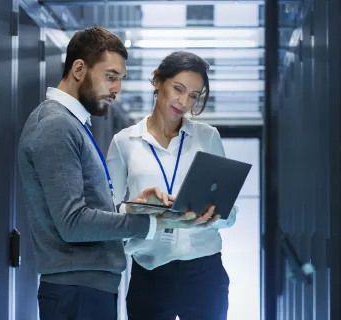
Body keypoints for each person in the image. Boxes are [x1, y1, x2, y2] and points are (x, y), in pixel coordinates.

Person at [17, 27, 221, 320]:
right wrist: (149, 223)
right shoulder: (55, 126)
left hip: (85, 288)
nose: (116, 89)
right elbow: (73, 221)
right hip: (77, 291)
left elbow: (92, 208)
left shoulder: (71, 125)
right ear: (78, 69)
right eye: (110, 77)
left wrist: (133, 206)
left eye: (120, 80)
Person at [106, 51, 238, 320]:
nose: (184, 101)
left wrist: (213, 215)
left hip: (204, 272)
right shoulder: (124, 142)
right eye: (178, 89)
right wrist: (139, 208)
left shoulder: (207, 137)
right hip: (149, 271)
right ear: (157, 80)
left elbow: (230, 211)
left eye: (193, 95)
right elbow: (109, 214)